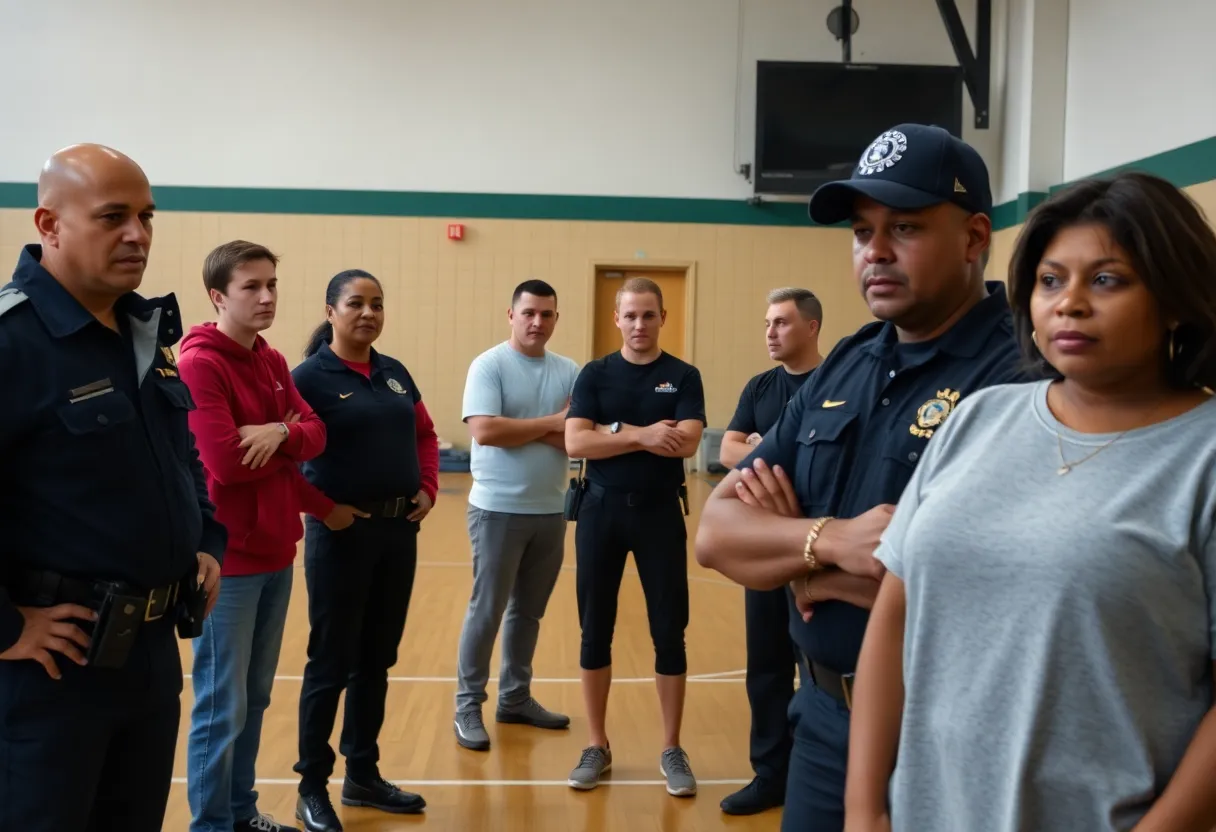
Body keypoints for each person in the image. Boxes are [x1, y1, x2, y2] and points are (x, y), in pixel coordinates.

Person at [846, 172, 1216, 832]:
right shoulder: (979, 417)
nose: (1069, 304)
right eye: (1050, 280)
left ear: (1176, 299)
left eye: (1107, 279)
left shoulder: (1202, 456)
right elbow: (896, 615)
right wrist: (865, 809)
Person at [694, 123, 1025, 832]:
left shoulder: (1020, 379)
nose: (875, 250)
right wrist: (831, 545)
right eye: (861, 230)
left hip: (951, 736)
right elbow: (718, 533)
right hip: (820, 725)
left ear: (973, 238)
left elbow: (990, 587)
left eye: (904, 226)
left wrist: (789, 557)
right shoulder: (849, 361)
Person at [0, 143, 224, 830]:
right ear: (50, 224)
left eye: (147, 216)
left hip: (151, 656)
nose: (138, 234)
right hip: (54, 674)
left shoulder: (140, 330)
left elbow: (179, 451)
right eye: (113, 217)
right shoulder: (14, 343)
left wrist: (206, 538)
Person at [177, 240, 354, 832]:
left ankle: (239, 811)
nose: (267, 296)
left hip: (279, 554)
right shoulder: (200, 364)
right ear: (218, 296)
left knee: (254, 700)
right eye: (252, 286)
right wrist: (291, 435)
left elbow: (318, 431)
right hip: (226, 564)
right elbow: (225, 464)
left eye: (272, 283)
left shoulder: (274, 361)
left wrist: (278, 431)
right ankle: (210, 825)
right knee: (220, 705)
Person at [291, 269, 438, 832]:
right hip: (341, 536)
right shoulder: (308, 377)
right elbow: (286, 458)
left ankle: (362, 775)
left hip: (398, 535)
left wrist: (427, 486)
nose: (368, 313)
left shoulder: (394, 373)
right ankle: (311, 786)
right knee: (331, 662)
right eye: (356, 303)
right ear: (331, 311)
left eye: (377, 304)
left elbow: (424, 434)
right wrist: (321, 508)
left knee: (377, 658)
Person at [564, 276, 706, 797]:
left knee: (670, 630)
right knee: (593, 628)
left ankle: (671, 746)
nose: (639, 324)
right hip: (600, 513)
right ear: (617, 319)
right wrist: (643, 434)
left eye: (649, 315)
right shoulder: (595, 374)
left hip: (659, 516)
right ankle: (597, 745)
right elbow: (576, 440)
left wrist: (612, 434)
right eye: (631, 315)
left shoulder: (683, 375)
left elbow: (687, 442)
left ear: (662, 318)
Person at [453, 279, 581, 750]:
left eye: (546, 314)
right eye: (528, 313)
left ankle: (514, 698)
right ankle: (468, 705)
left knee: (528, 613)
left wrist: (523, 428)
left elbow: (578, 439)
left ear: (555, 319)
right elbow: (485, 430)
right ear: (511, 315)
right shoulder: (489, 365)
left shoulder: (569, 371)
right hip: (496, 510)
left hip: (551, 510)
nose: (537, 322)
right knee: (486, 612)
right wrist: (552, 422)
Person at [718, 286, 824, 817]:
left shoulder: (837, 384)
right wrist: (765, 450)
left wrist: (763, 450)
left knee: (819, 661)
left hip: (817, 547)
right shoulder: (760, 386)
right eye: (766, 323)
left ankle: (819, 769)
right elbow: (726, 449)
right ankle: (770, 774)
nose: (770, 332)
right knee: (766, 665)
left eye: (781, 322)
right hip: (763, 548)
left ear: (811, 327)